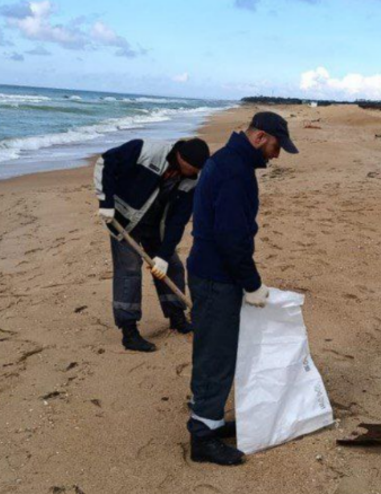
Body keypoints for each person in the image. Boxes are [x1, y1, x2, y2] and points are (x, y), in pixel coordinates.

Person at [185, 111, 298, 466]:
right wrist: (252, 283)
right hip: (216, 275)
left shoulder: (229, 160)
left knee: (217, 349)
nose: (276, 155)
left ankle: (210, 419)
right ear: (260, 137)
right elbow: (231, 235)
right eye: (276, 147)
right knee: (216, 353)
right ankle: (202, 436)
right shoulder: (235, 170)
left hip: (212, 270)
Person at [94, 136, 210, 352]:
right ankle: (129, 332)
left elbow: (178, 220)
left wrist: (164, 255)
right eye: (190, 167)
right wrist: (105, 202)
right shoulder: (146, 150)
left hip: (156, 226)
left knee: (173, 266)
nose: (193, 172)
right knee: (129, 270)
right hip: (122, 220)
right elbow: (106, 162)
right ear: (179, 156)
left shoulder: (193, 179)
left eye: (197, 169)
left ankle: (176, 316)